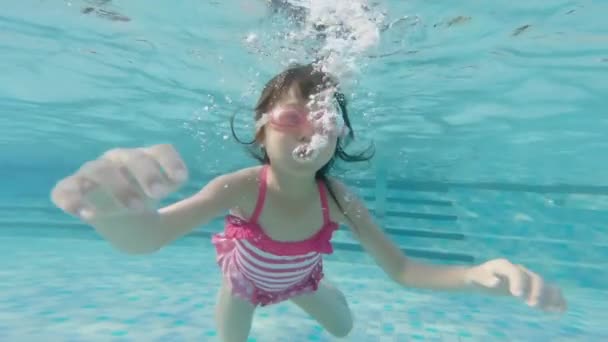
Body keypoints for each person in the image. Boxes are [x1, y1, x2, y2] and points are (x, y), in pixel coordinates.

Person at [50, 63, 567, 341]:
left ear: (337, 137)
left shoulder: (340, 199)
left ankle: (308, 286)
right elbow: (149, 237)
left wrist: (476, 275)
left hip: (300, 279)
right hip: (245, 284)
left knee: (345, 331)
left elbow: (404, 271)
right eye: (290, 117)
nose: (309, 133)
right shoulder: (240, 188)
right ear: (261, 126)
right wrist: (112, 211)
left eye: (323, 122)